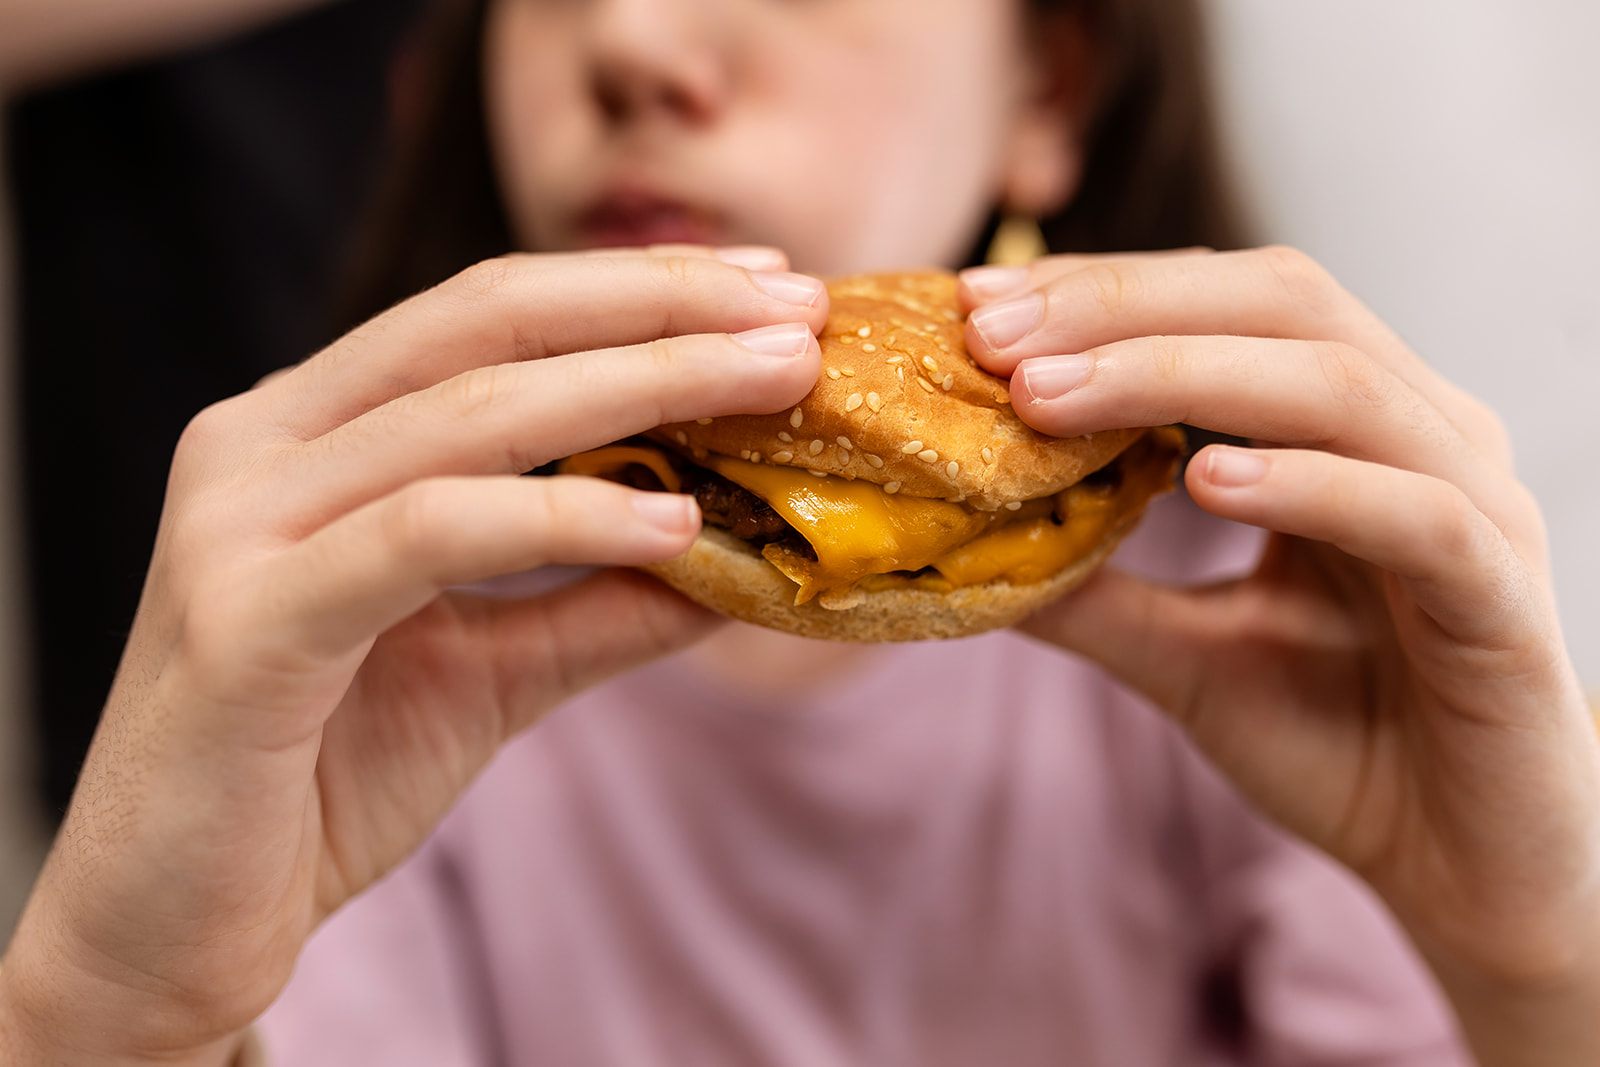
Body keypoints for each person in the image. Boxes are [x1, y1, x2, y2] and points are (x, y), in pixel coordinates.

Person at [2, 0, 1597, 1064]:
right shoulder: (381, 661)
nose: (630, 38)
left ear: (1050, 84)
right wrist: (111, 1013)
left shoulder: (1284, 615)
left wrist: (1536, 969)